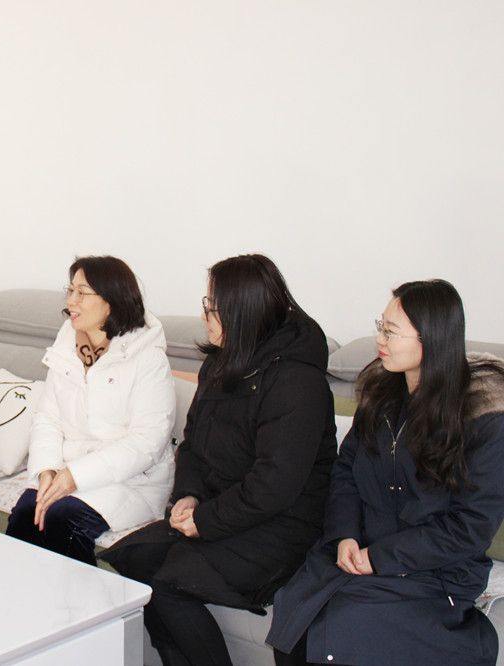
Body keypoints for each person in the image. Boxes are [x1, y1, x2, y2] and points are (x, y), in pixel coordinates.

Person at [101, 254, 337, 666]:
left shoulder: (298, 381)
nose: (204, 315)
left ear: (243, 311)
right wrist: (188, 496)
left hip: (282, 525)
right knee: (133, 557)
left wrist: (205, 520)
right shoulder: (220, 363)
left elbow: (275, 485)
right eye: (206, 303)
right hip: (222, 509)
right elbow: (193, 444)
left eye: (213, 306)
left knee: (170, 584)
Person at [268, 279, 504, 666]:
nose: (380, 339)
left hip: (433, 571)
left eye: (391, 331)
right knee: (295, 620)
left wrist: (379, 557)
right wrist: (344, 535)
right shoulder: (381, 393)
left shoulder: (483, 415)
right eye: (381, 325)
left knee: (340, 631)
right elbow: (346, 471)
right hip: (362, 550)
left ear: (431, 338)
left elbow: (470, 527)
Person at [5, 255, 176, 565]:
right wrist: (46, 470)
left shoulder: (148, 358)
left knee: (62, 520)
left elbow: (147, 443)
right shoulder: (66, 347)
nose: (71, 301)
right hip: (67, 470)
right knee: (26, 515)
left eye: (81, 293)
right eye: (70, 290)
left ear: (110, 301)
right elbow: (47, 418)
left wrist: (75, 475)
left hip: (131, 480)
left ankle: (82, 598)